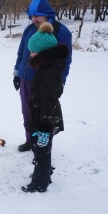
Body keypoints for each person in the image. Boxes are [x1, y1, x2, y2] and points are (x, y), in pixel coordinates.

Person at [13, 0, 72, 152]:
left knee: (44, 116)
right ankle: (30, 140)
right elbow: (21, 53)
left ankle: (42, 148)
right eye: (31, 15)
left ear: (47, 14)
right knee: (27, 112)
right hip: (26, 80)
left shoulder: (61, 32)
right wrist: (17, 73)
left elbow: (66, 59)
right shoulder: (29, 29)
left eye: (37, 15)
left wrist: (61, 81)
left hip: (45, 82)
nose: (34, 19)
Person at [21, 22, 69, 193]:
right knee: (40, 149)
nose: (31, 54)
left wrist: (44, 128)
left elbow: (49, 102)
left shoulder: (48, 73)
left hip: (45, 121)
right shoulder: (48, 69)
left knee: (42, 152)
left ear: (43, 54)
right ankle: (44, 173)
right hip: (41, 118)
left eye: (33, 52)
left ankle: (40, 183)